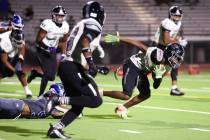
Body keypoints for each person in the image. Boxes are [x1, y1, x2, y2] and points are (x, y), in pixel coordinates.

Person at [46, 1, 105, 139]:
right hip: (72, 67)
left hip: (67, 66)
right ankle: (56, 100)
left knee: (78, 104)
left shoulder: (81, 24)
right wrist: (91, 63)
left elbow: (76, 50)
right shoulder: (93, 23)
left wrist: (95, 66)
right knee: (96, 100)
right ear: (99, 14)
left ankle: (56, 129)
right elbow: (85, 41)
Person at [103, 34, 185, 118]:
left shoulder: (167, 66)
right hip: (133, 64)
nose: (176, 61)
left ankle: (122, 108)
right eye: (175, 57)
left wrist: (158, 77)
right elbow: (138, 44)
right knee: (126, 95)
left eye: (178, 59)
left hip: (142, 71)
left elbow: (155, 85)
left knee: (145, 94)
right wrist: (118, 39)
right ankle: (101, 92)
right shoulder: (156, 54)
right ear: (169, 53)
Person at [27, 5, 69, 96]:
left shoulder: (65, 26)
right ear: (53, 15)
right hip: (42, 49)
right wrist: (48, 48)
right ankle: (40, 96)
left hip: (52, 50)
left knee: (52, 77)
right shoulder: (47, 23)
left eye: (62, 16)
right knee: (47, 74)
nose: (60, 18)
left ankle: (35, 74)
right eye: (58, 15)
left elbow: (64, 41)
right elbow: (38, 41)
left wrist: (64, 53)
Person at [154, 6, 187, 96]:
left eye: (179, 16)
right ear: (171, 15)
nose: (178, 17)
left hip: (168, 46)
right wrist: (179, 41)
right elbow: (166, 40)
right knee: (156, 69)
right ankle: (154, 78)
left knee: (175, 63)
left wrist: (179, 38)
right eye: (175, 15)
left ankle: (174, 88)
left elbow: (177, 34)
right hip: (159, 46)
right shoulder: (167, 23)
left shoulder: (179, 23)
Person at [0, 15, 33, 98]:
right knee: (3, 73)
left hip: (12, 52)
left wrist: (20, 58)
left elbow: (22, 48)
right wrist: (14, 70)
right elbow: (4, 60)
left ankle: (27, 90)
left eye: (20, 27)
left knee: (20, 70)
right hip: (3, 51)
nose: (19, 29)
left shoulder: (20, 35)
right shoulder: (5, 39)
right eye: (17, 27)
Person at [0, 83, 67, 119]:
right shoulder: (52, 103)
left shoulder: (52, 106)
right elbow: (60, 112)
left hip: (16, 113)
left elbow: (57, 114)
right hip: (17, 106)